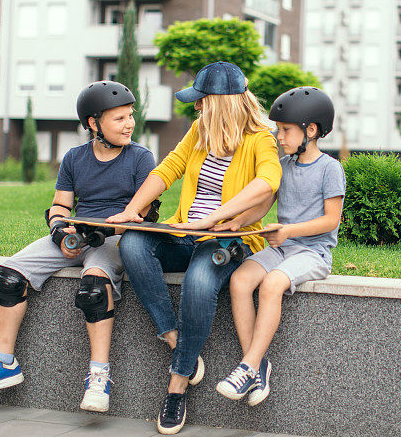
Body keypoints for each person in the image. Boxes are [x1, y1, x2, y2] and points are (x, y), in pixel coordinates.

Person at [0, 81, 156, 413]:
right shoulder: (75, 158)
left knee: (94, 287)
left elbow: (145, 211)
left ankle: (99, 376)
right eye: (119, 118)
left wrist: (104, 230)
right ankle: (4, 363)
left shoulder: (140, 157)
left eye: (130, 116)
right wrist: (62, 232)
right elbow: (61, 206)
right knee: (9, 275)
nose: (129, 124)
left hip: (118, 235)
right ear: (94, 123)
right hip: (79, 232)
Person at [108, 61, 282, 435]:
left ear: (220, 102)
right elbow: (167, 169)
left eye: (201, 102)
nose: (196, 108)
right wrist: (131, 210)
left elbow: (269, 182)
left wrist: (212, 219)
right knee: (134, 242)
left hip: (227, 239)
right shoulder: (199, 130)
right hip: (186, 231)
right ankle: (174, 337)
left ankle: (177, 385)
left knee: (201, 283)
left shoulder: (261, 139)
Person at [213, 86, 345, 406]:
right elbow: (261, 207)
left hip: (312, 252)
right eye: (278, 130)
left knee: (272, 284)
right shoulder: (284, 167)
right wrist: (235, 222)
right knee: (240, 280)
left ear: (310, 130)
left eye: (285, 130)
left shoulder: (330, 169)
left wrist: (289, 230)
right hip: (283, 248)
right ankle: (257, 366)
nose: (279, 137)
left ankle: (247, 366)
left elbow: (331, 221)